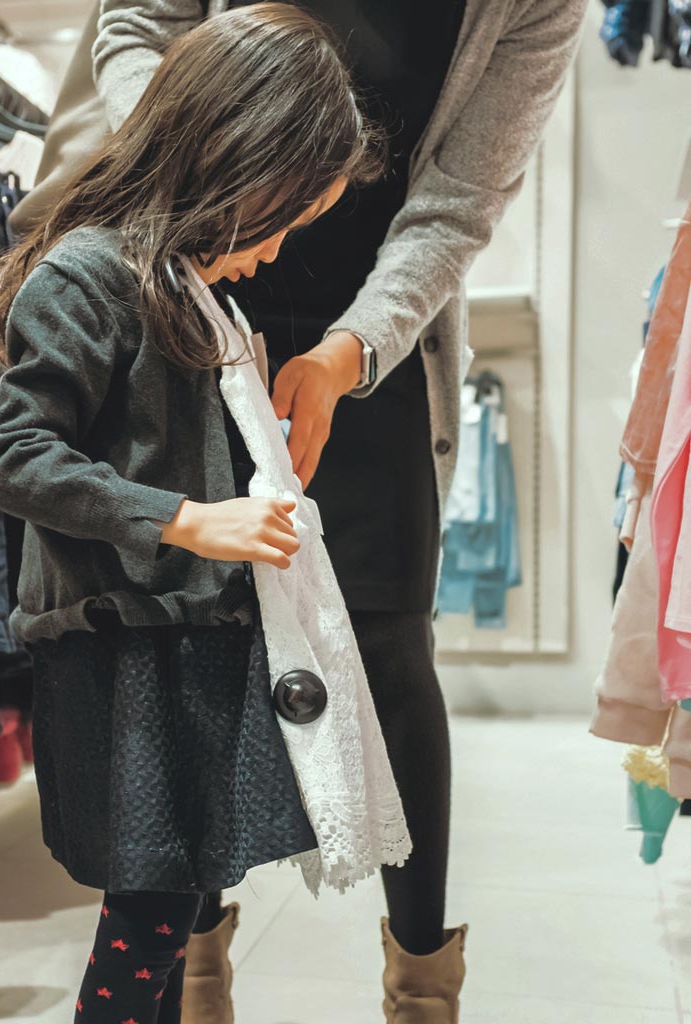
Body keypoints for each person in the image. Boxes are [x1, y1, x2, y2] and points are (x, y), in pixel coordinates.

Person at [90, 1, 587, 1021]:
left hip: (370, 339)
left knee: (391, 649)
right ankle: (193, 977)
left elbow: (456, 198)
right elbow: (133, 26)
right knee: (193, 640)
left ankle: (420, 987)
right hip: (201, 282)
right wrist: (197, 196)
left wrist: (347, 353)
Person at [0, 8, 407, 1023]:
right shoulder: (87, 277)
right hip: (128, 656)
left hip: (190, 650)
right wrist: (187, 520)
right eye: (279, 220)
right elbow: (14, 457)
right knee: (152, 908)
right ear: (233, 163)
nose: (271, 254)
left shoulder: (183, 287)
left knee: (185, 895)